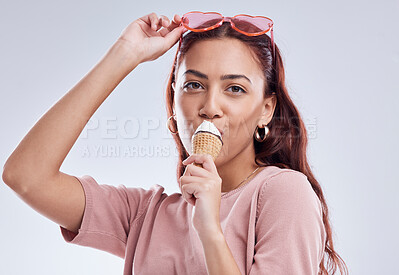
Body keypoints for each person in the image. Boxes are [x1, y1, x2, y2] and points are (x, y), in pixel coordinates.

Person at [2, 11, 348, 275]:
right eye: (194, 85)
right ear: (173, 103)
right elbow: (26, 176)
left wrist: (210, 228)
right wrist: (124, 55)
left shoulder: (284, 193)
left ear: (266, 109)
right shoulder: (144, 215)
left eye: (235, 89)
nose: (210, 107)